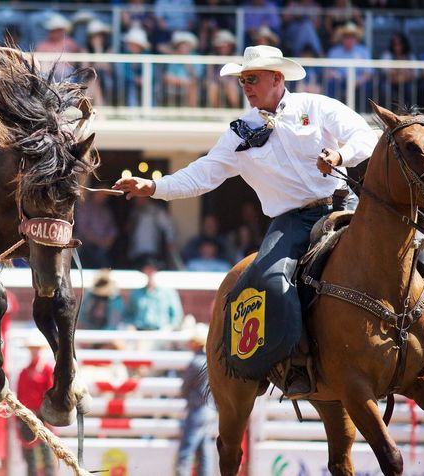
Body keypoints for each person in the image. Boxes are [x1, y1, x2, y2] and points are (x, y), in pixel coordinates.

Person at [114, 45, 377, 398]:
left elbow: (366, 136)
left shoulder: (316, 106)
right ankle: (293, 363)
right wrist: (155, 186)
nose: (246, 86)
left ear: (277, 78)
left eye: (252, 78)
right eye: (242, 80)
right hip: (292, 219)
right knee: (268, 282)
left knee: (403, 247)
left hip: (344, 203)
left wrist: (341, 154)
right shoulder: (240, 132)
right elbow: (204, 173)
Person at [175, 323, 216, 476]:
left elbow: (185, 387)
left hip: (197, 410)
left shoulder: (195, 363)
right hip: (210, 410)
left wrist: (185, 395)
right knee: (205, 450)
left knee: (186, 450)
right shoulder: (210, 362)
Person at [16, 333, 55, 476]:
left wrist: (49, 419)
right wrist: (17, 419)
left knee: (46, 452)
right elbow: (19, 396)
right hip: (27, 416)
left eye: (36, 348)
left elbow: (51, 394)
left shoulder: (47, 370)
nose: (34, 351)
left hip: (42, 416)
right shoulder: (24, 372)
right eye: (32, 348)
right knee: (29, 454)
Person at [124, 256, 183, 331]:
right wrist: (131, 326)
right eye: (147, 270)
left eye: (152, 270)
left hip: (161, 332)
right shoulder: (136, 293)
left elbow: (177, 315)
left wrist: (169, 328)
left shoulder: (168, 292)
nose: (150, 274)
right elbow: (128, 314)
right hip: (140, 332)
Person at [326, 21, 372, 112]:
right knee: (330, 83)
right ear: (342, 38)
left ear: (356, 38)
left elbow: (368, 73)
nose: (349, 39)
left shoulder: (363, 51)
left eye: (352, 36)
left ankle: (362, 113)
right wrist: (336, 75)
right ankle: (331, 111)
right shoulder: (334, 51)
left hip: (358, 81)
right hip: (339, 80)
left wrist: (358, 80)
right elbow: (327, 71)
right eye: (346, 36)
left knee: (368, 86)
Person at [74, 190, 118, 269]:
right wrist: (99, 241)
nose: (103, 196)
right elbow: (83, 230)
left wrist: (108, 240)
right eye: (101, 193)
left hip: (103, 250)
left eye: (105, 194)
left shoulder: (106, 211)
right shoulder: (85, 208)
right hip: (85, 248)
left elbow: (112, 229)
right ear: (94, 192)